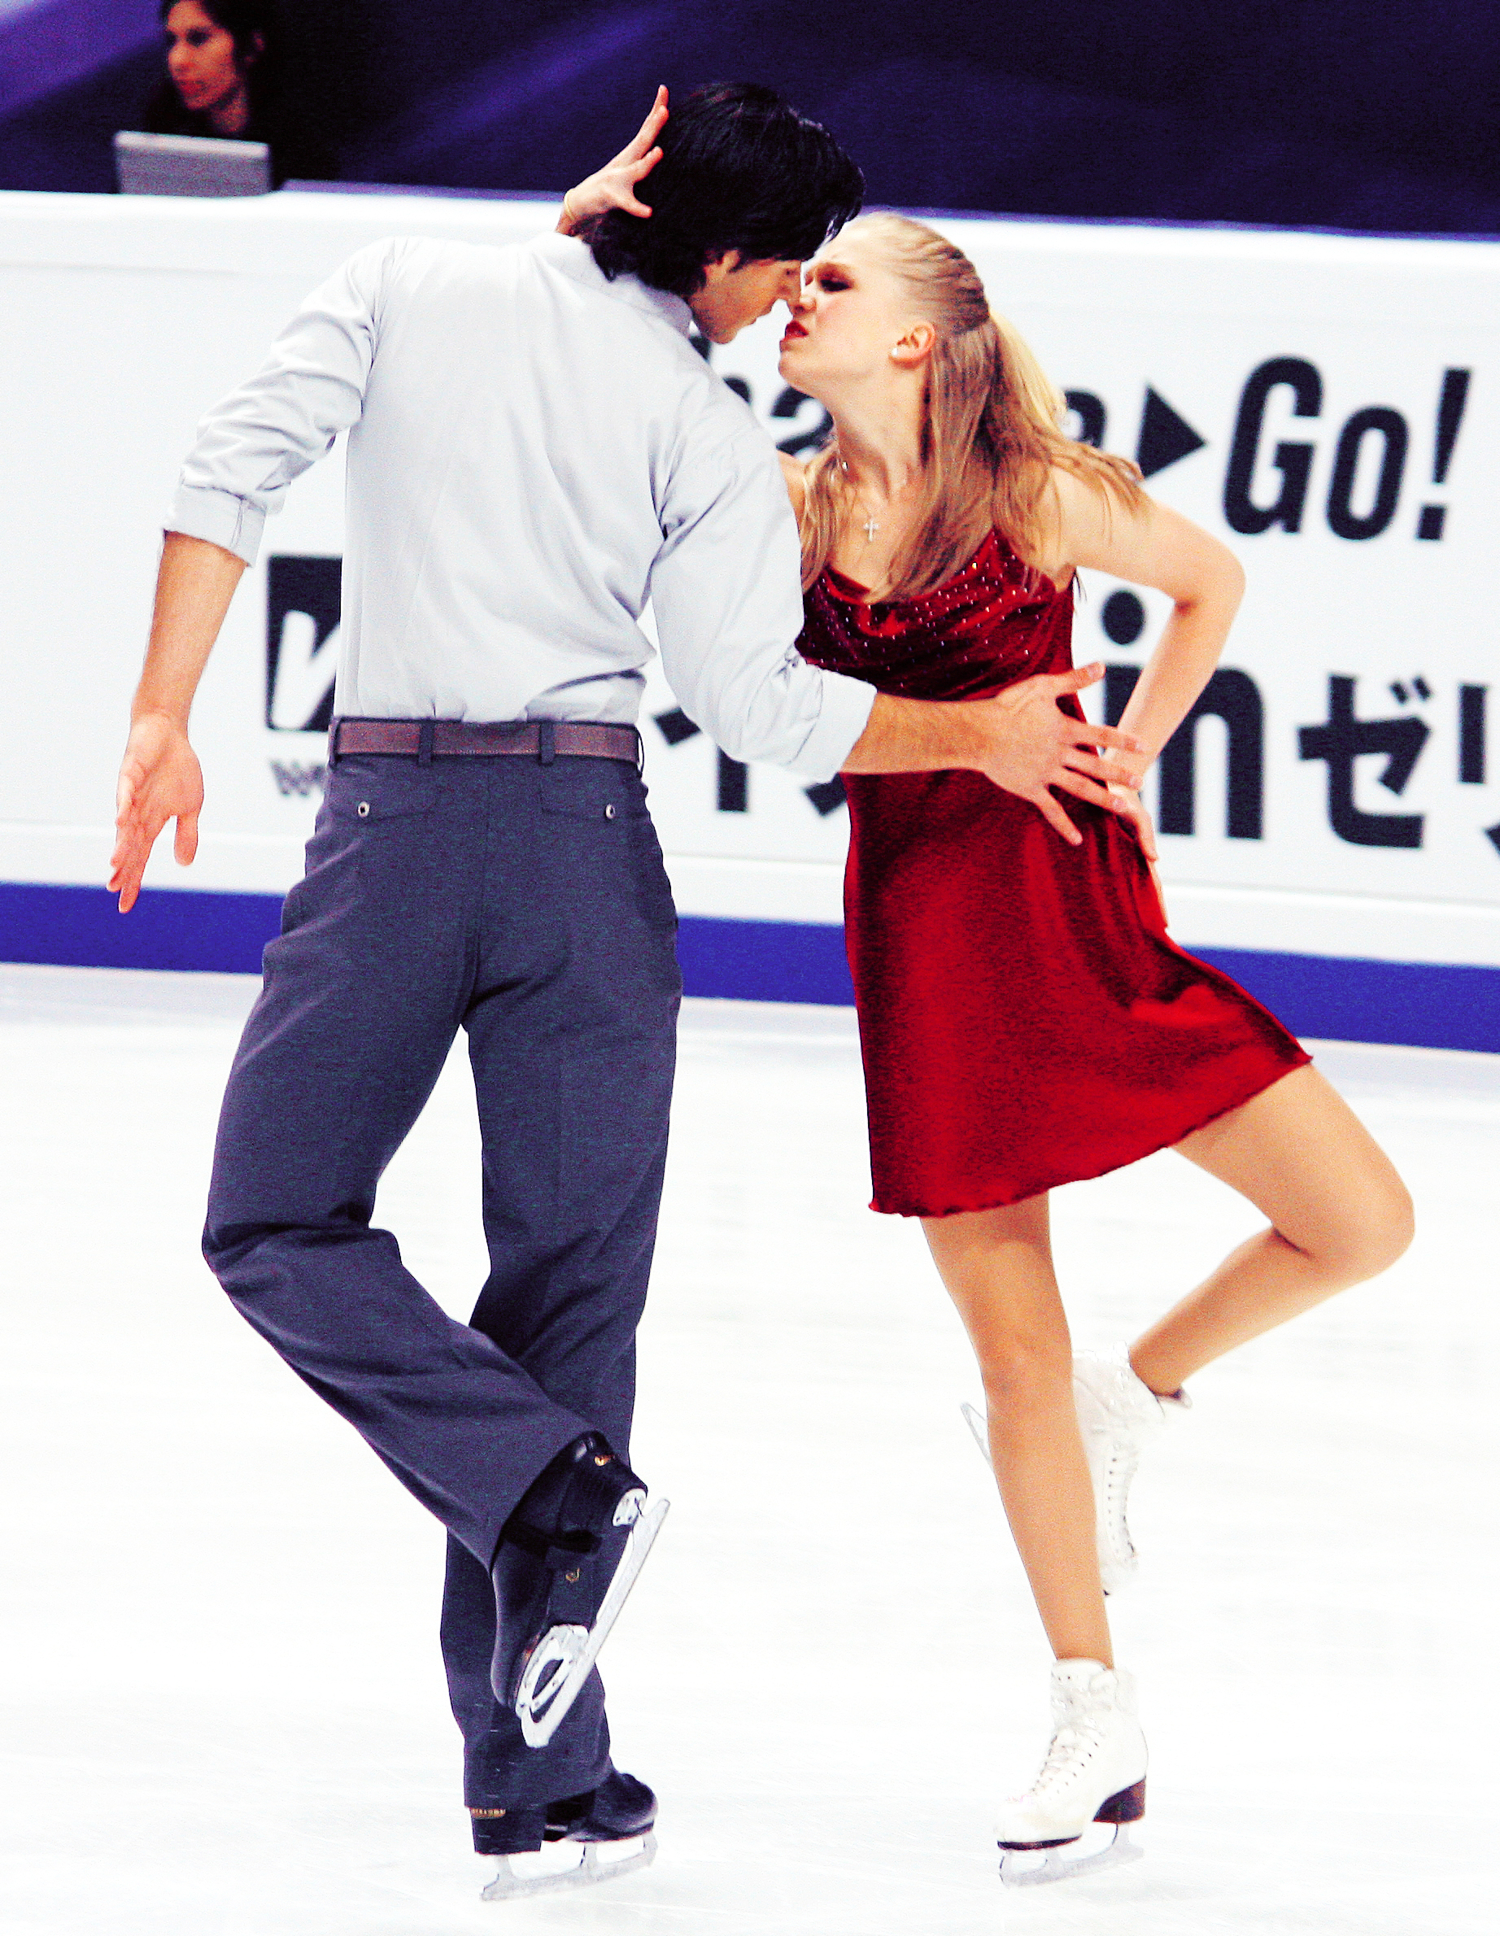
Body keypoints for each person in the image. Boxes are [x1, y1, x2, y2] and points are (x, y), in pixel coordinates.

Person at [108, 90, 1145, 1902]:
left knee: (276, 1216)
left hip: (394, 825)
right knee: (564, 1306)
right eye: (784, 277)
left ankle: (547, 1765)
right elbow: (761, 712)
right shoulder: (700, 428)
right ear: (726, 254)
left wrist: (156, 717)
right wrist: (974, 730)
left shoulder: (411, 279)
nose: (780, 313)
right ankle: (543, 1669)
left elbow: (226, 467)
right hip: (584, 847)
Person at [772, 213, 1414, 1883]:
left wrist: (1135, 741)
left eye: (834, 283)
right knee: (1010, 1361)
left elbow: (1211, 581)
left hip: (1084, 921)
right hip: (926, 945)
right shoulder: (790, 510)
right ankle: (1091, 1705)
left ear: (916, 340)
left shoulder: (1036, 492)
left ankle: (1144, 1386)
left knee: (1364, 1219)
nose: (798, 298)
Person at [141, 1, 336, 186]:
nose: (177, 61)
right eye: (171, 41)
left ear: (252, 47)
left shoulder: (299, 146)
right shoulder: (162, 127)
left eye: (199, 39)